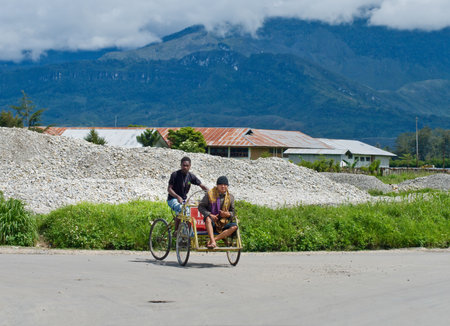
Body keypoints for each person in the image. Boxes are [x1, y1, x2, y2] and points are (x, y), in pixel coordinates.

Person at [198, 176, 237, 249]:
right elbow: (201, 207)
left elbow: (233, 212)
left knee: (235, 226)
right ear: (217, 185)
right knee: (208, 219)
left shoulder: (230, 197)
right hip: (211, 223)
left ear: (227, 186)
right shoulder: (209, 194)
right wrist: (210, 215)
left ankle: (213, 240)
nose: (223, 186)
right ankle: (213, 242)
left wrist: (228, 214)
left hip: (223, 223)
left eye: (225, 185)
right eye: (221, 184)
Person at [167, 156, 208, 222]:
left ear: (190, 166)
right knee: (183, 209)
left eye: (187, 166)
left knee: (191, 211)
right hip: (172, 199)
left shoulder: (191, 176)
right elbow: (169, 189)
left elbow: (201, 186)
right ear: (181, 165)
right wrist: (177, 197)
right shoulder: (175, 175)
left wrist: (210, 193)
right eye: (183, 165)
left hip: (183, 200)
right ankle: (176, 231)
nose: (185, 167)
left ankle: (187, 231)